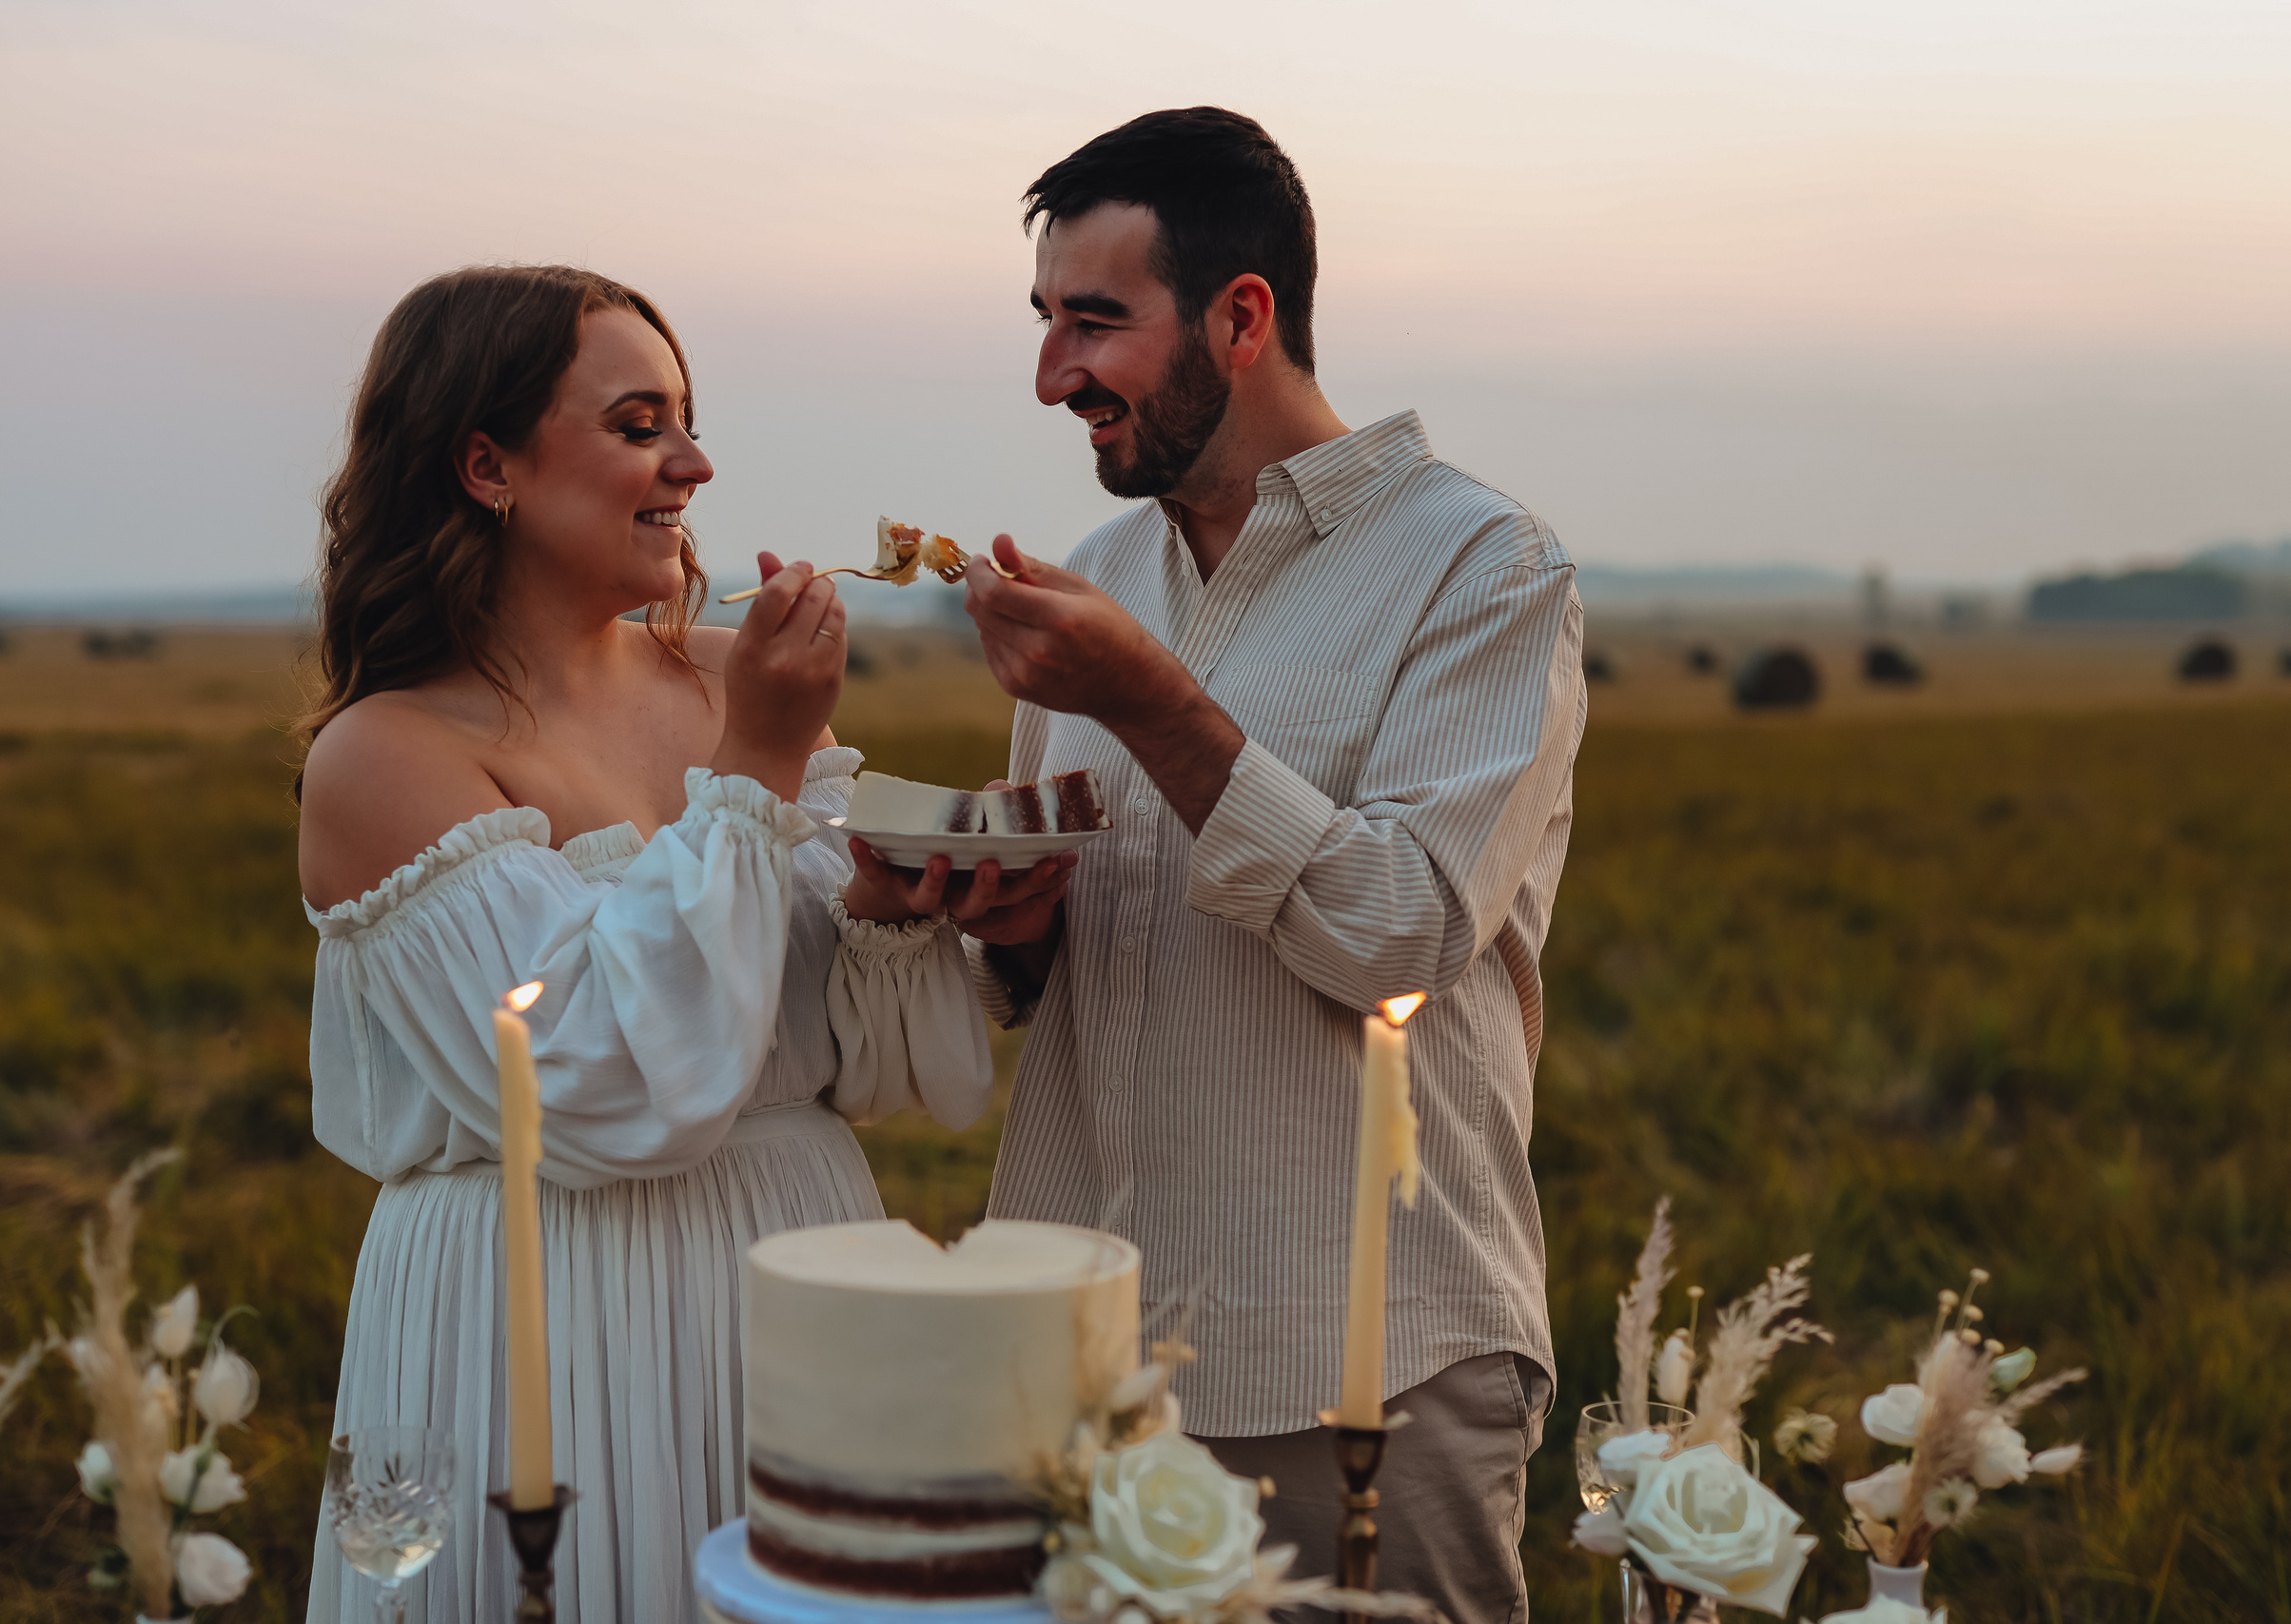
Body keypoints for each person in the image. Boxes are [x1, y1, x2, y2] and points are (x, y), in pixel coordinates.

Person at [295, 264, 1066, 1623]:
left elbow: (853, 1065)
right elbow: (592, 1087)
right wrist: (757, 765)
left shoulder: (720, 673)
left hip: (794, 1268)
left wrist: (889, 919)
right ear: (487, 465)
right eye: (639, 426)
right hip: (555, 1310)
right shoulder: (386, 754)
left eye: (688, 423)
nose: (695, 466)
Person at [961, 109, 1585, 1624]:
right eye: (1044, 321)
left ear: (1242, 319)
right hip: (1082, 1348)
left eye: (1094, 322)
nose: (1052, 376)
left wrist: (1154, 704)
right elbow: (1066, 960)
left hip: (1364, 1357)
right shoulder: (1101, 579)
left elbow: (1400, 934)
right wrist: (1004, 924)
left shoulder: (1483, 566)